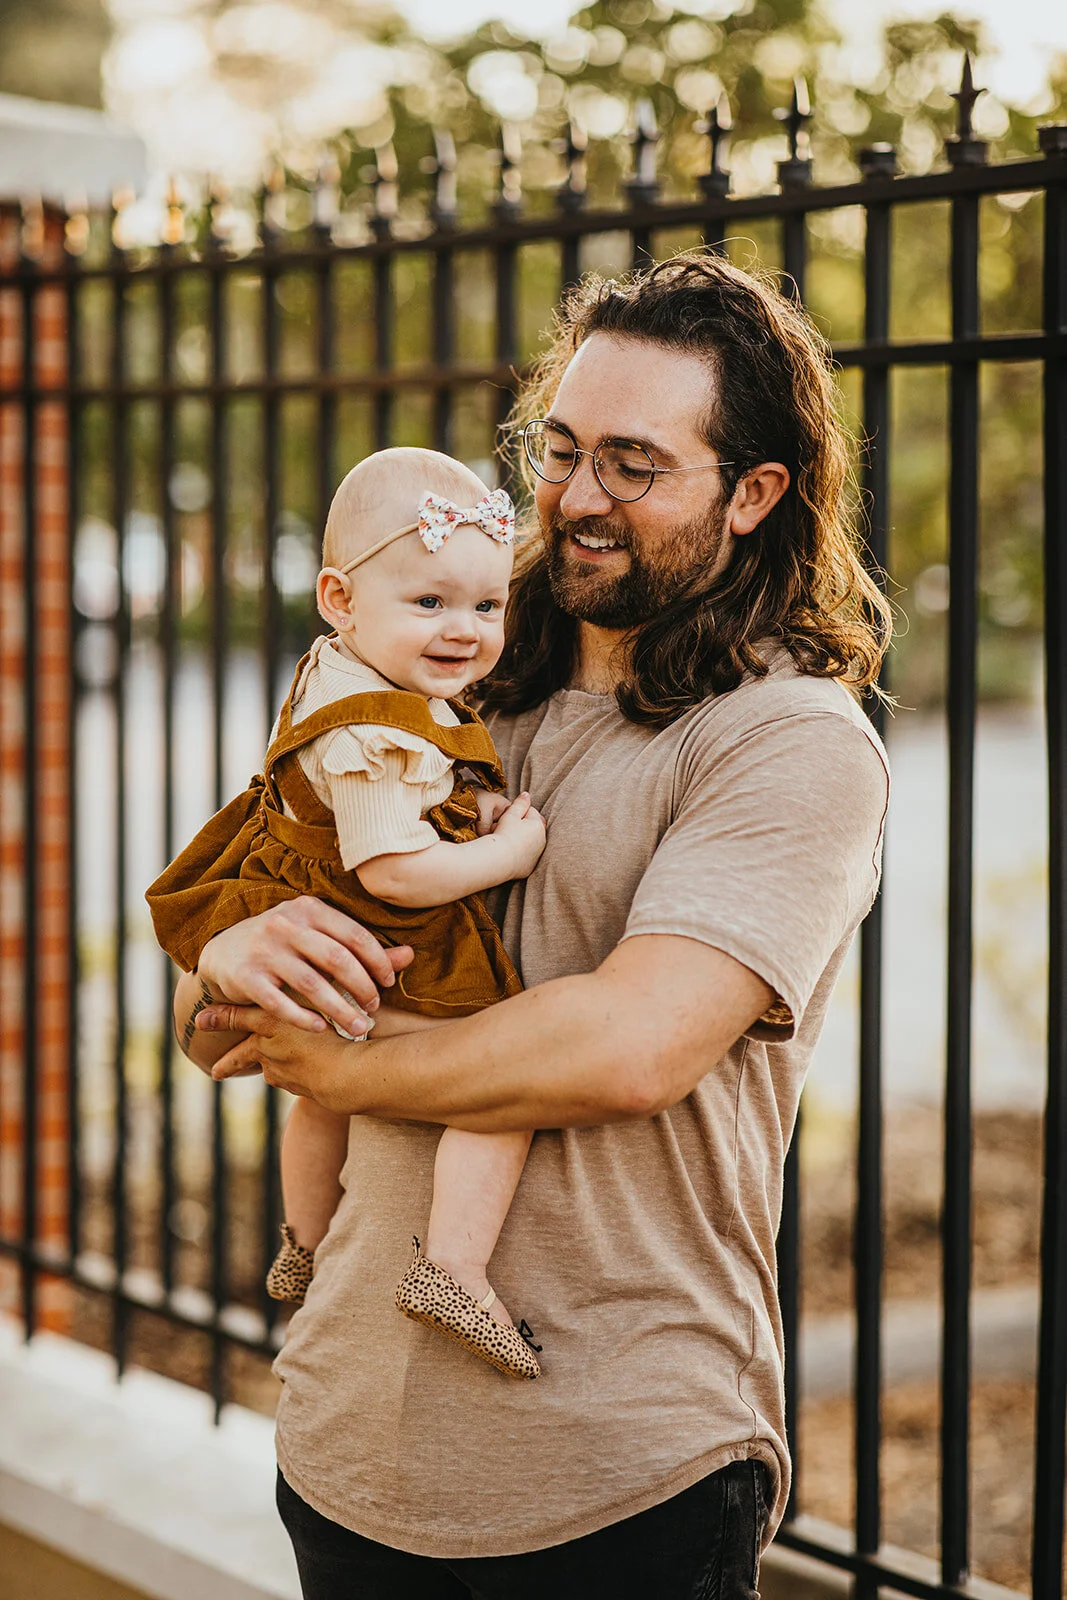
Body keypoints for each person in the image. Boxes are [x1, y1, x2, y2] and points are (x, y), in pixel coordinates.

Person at [175, 250, 892, 1600]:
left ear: (751, 494)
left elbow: (626, 1048)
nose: (571, 497)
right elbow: (225, 1001)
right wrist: (227, 953)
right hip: (343, 1452)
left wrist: (337, 1064)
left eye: (631, 462)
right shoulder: (438, 674)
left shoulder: (785, 740)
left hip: (609, 1474)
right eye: (556, 448)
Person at [149, 449, 546, 1379]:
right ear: (338, 596)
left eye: (486, 607)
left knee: (322, 1087)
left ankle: (303, 1236)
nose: (464, 631)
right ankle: (452, 1268)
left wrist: (465, 804)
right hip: (382, 940)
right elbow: (394, 868)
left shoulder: (343, 671)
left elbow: (422, 791)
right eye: (430, 604)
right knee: (504, 1090)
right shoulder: (373, 735)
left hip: (318, 924)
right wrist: (503, 852)